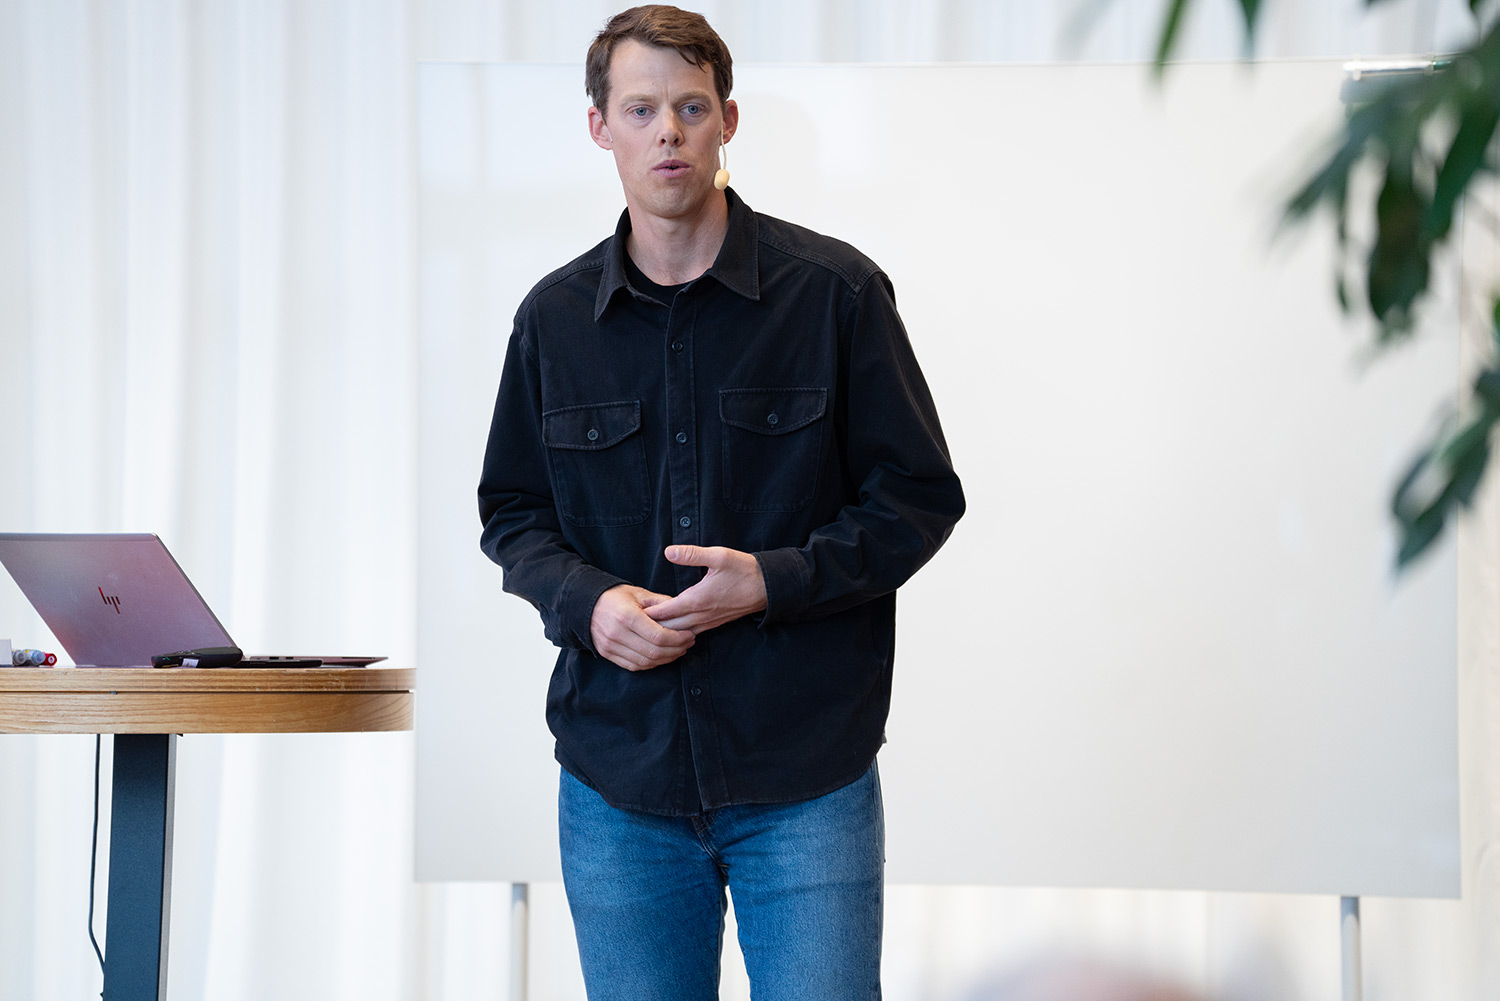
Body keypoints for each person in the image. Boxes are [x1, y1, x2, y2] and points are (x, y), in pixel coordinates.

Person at [477, 5, 964, 998]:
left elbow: (918, 497)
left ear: (728, 120)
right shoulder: (553, 320)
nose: (668, 131)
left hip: (805, 775)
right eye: (641, 109)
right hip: (619, 780)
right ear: (600, 127)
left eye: (691, 107)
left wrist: (775, 581)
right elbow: (513, 512)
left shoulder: (835, 295)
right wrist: (587, 603)